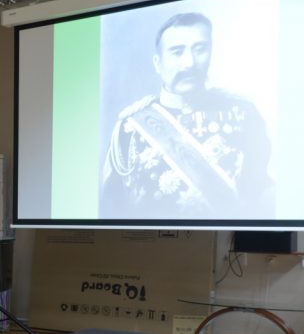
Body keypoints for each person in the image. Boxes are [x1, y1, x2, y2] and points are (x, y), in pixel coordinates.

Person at [100, 12, 273, 219]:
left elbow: (260, 195)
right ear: (157, 63)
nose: (189, 62)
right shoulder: (130, 127)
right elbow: (112, 206)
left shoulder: (243, 115)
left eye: (200, 49)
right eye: (177, 52)